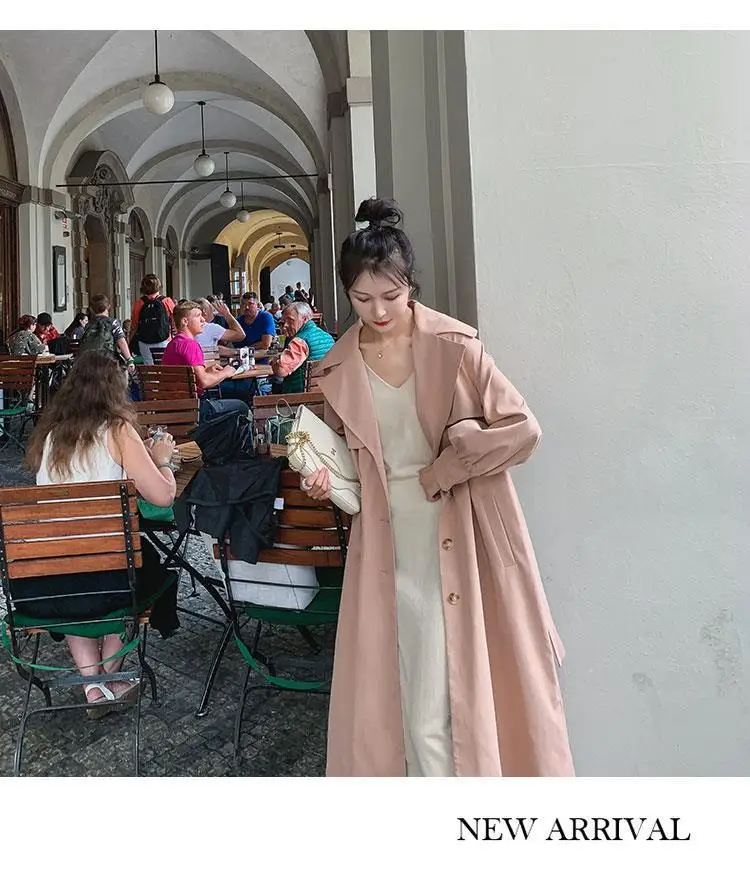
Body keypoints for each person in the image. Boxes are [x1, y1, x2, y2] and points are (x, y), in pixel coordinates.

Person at [302, 197, 574, 778]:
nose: (378, 311)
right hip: (384, 541)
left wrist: (447, 467)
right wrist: (324, 481)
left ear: (411, 286)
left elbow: (523, 431)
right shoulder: (336, 369)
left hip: (463, 533)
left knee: (455, 700)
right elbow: (348, 462)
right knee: (403, 699)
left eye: (391, 295)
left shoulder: (456, 347)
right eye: (362, 298)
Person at [24, 350, 178, 714]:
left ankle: (92, 686)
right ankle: (108, 678)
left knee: (81, 577)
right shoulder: (118, 430)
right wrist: (162, 461)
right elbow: (163, 495)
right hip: (112, 575)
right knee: (137, 565)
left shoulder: (49, 435)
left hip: (50, 577)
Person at [162, 300, 248, 423]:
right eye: (198, 316)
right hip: (194, 409)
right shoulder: (190, 345)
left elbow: (189, 377)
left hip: (174, 406)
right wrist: (226, 372)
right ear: (185, 321)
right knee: (241, 407)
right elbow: (204, 382)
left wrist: (206, 371)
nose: (203, 320)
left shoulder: (173, 344)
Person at [269, 301, 334, 394]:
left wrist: (274, 362)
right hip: (325, 393)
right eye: (283, 322)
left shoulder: (300, 341)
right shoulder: (328, 337)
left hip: (300, 396)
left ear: (304, 319)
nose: (285, 326)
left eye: (290, 320)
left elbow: (281, 370)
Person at [80, 294, 136, 375]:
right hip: (108, 361)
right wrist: (129, 359)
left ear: (91, 309)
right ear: (108, 307)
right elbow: (121, 342)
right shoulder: (113, 323)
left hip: (89, 362)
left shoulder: (88, 325)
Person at [130, 274, 175, 364]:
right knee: (164, 365)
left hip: (144, 340)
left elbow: (134, 325)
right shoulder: (167, 301)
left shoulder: (139, 303)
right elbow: (175, 321)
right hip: (164, 339)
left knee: (148, 365)